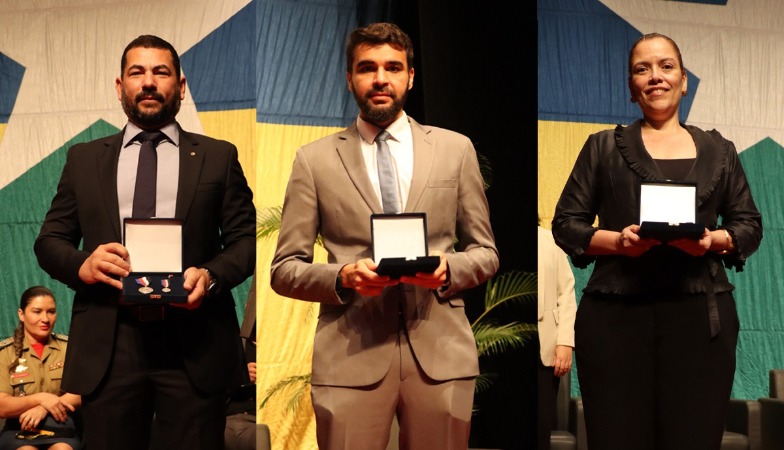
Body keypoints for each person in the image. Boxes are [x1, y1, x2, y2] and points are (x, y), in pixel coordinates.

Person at [270, 22, 499, 450]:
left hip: (441, 352)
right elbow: (284, 269)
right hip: (349, 356)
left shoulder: (455, 150)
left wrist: (449, 269)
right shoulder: (314, 160)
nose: (380, 78)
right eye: (367, 68)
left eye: (392, 67)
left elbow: (486, 252)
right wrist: (343, 277)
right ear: (349, 78)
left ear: (410, 76)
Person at [33, 35, 256, 450]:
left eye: (161, 72)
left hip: (196, 343)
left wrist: (210, 276)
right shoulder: (84, 159)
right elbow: (50, 240)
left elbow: (245, 242)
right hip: (110, 342)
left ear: (181, 86)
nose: (149, 82)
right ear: (120, 86)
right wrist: (83, 265)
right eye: (137, 73)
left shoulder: (218, 156)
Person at [552, 33, 763, 450]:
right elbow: (566, 225)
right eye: (642, 69)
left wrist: (712, 241)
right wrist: (618, 242)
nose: (655, 76)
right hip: (615, 318)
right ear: (631, 87)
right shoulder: (602, 147)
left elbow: (749, 226)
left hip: (701, 321)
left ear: (684, 81)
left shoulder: (721, 150)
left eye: (666, 66)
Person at [0, 286, 82, 450]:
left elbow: (81, 394)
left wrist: (43, 407)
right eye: (37, 312)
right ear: (21, 314)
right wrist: (39, 398)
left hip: (61, 427)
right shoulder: (5, 352)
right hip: (19, 429)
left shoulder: (68, 348)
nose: (45, 319)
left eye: (51, 312)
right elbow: (2, 406)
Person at [536, 225, 576, 450]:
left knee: (541, 428)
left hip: (546, 348)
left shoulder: (550, 239)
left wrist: (565, 341)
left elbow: (566, 292)